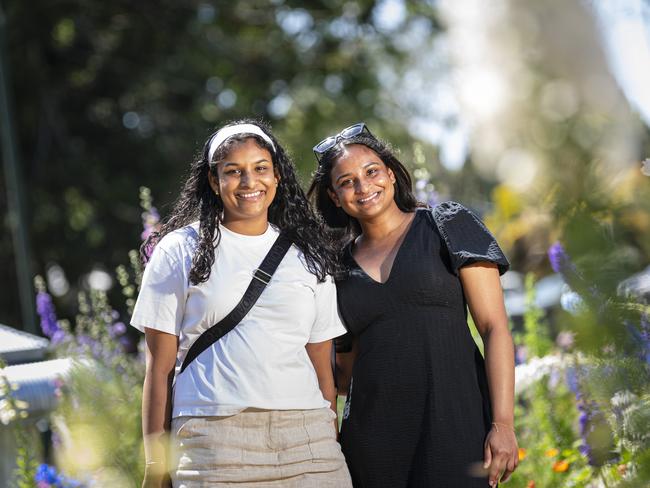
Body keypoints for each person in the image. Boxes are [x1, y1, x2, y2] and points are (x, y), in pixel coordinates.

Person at [131, 119, 352, 488]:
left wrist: (329, 432)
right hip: (213, 442)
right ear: (215, 182)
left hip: (308, 443)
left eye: (260, 168)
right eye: (233, 172)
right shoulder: (179, 250)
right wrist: (156, 465)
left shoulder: (309, 256)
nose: (249, 182)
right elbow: (159, 369)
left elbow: (322, 368)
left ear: (277, 176)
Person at [308, 123, 519, 488]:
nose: (363, 186)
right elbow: (344, 373)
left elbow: (494, 328)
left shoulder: (447, 225)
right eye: (347, 181)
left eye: (371, 171)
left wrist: (503, 424)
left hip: (457, 426)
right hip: (372, 446)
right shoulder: (334, 268)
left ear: (390, 173)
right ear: (335, 195)